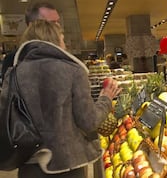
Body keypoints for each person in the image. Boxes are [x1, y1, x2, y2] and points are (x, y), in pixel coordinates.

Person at [0, 19, 122, 177]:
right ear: (54, 40)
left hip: (29, 164)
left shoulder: (15, 73)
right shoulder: (73, 70)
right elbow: (89, 121)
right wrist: (106, 98)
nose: (65, 44)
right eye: (62, 38)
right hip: (67, 166)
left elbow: (5, 116)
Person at [1, 2, 61, 84]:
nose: (58, 26)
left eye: (58, 21)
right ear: (33, 26)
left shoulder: (63, 56)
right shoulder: (14, 59)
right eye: (52, 23)